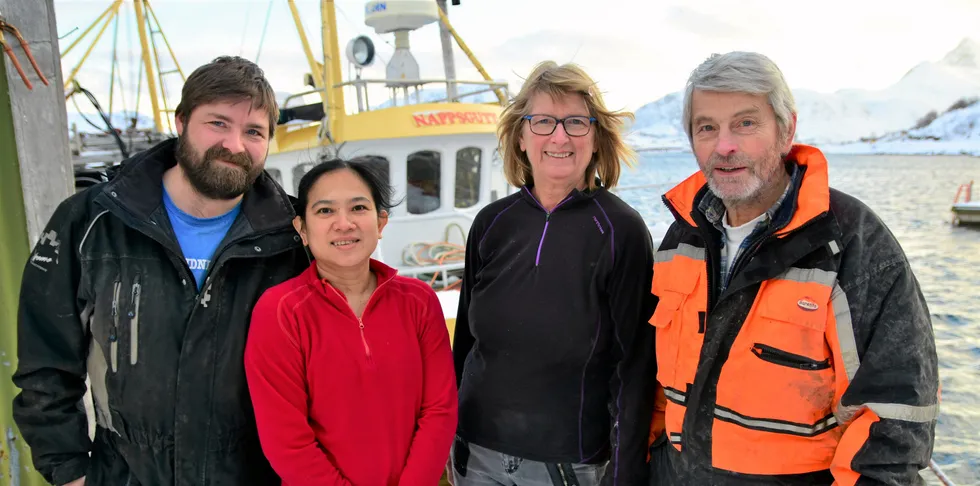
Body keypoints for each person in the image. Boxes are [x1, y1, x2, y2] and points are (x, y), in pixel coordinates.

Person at [12, 56, 309, 485]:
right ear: (182, 120)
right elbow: (46, 365)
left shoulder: (294, 237)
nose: (235, 144)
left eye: (254, 132)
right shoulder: (93, 222)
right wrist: (70, 472)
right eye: (218, 123)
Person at [647, 51, 939, 485]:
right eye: (707, 127)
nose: (724, 146)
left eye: (746, 123)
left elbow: (895, 417)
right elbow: (655, 392)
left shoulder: (849, 244)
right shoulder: (682, 239)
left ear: (786, 130)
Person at [452, 61, 657, 486]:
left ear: (596, 138)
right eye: (543, 121)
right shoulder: (492, 224)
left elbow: (634, 366)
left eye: (576, 123)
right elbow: (466, 346)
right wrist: (451, 437)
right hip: (479, 454)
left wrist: (624, 473)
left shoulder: (620, 230)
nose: (559, 136)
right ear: (521, 137)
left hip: (568, 463)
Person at [244, 158, 458, 486]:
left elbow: (439, 410)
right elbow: (287, 442)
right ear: (302, 229)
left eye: (358, 207)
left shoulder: (419, 301)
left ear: (381, 221)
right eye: (325, 211)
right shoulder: (281, 312)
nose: (344, 224)